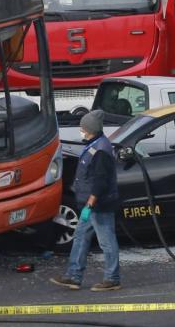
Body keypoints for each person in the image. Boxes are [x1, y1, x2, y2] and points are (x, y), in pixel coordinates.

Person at [50, 110, 121, 291]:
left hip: (98, 205)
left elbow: (101, 180)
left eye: (83, 128)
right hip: (90, 206)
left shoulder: (101, 150)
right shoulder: (94, 144)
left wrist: (91, 202)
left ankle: (112, 278)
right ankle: (74, 276)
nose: (81, 130)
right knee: (80, 237)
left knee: (107, 242)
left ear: (91, 129)